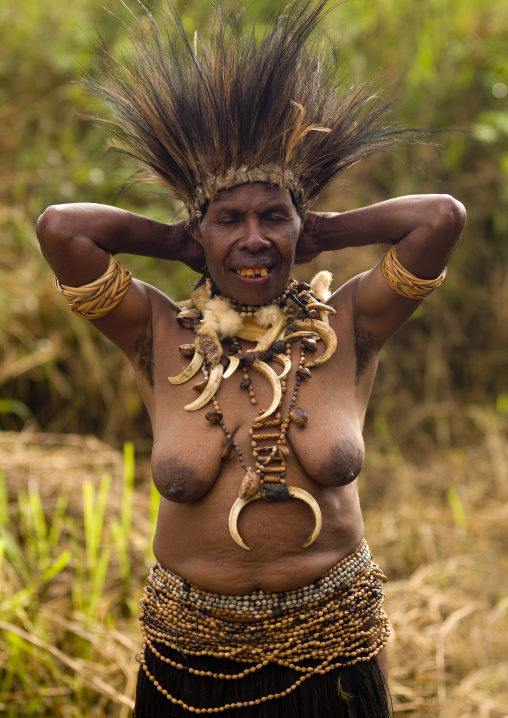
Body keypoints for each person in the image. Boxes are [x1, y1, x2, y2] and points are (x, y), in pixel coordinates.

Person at [36, 1, 466, 715]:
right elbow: (62, 230)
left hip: (333, 651)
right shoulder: (154, 330)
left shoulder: (353, 322)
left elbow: (439, 218)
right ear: (198, 232)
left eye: (274, 217)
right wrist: (176, 242)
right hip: (189, 658)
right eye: (228, 220)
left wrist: (320, 233)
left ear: (303, 225)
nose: (253, 239)